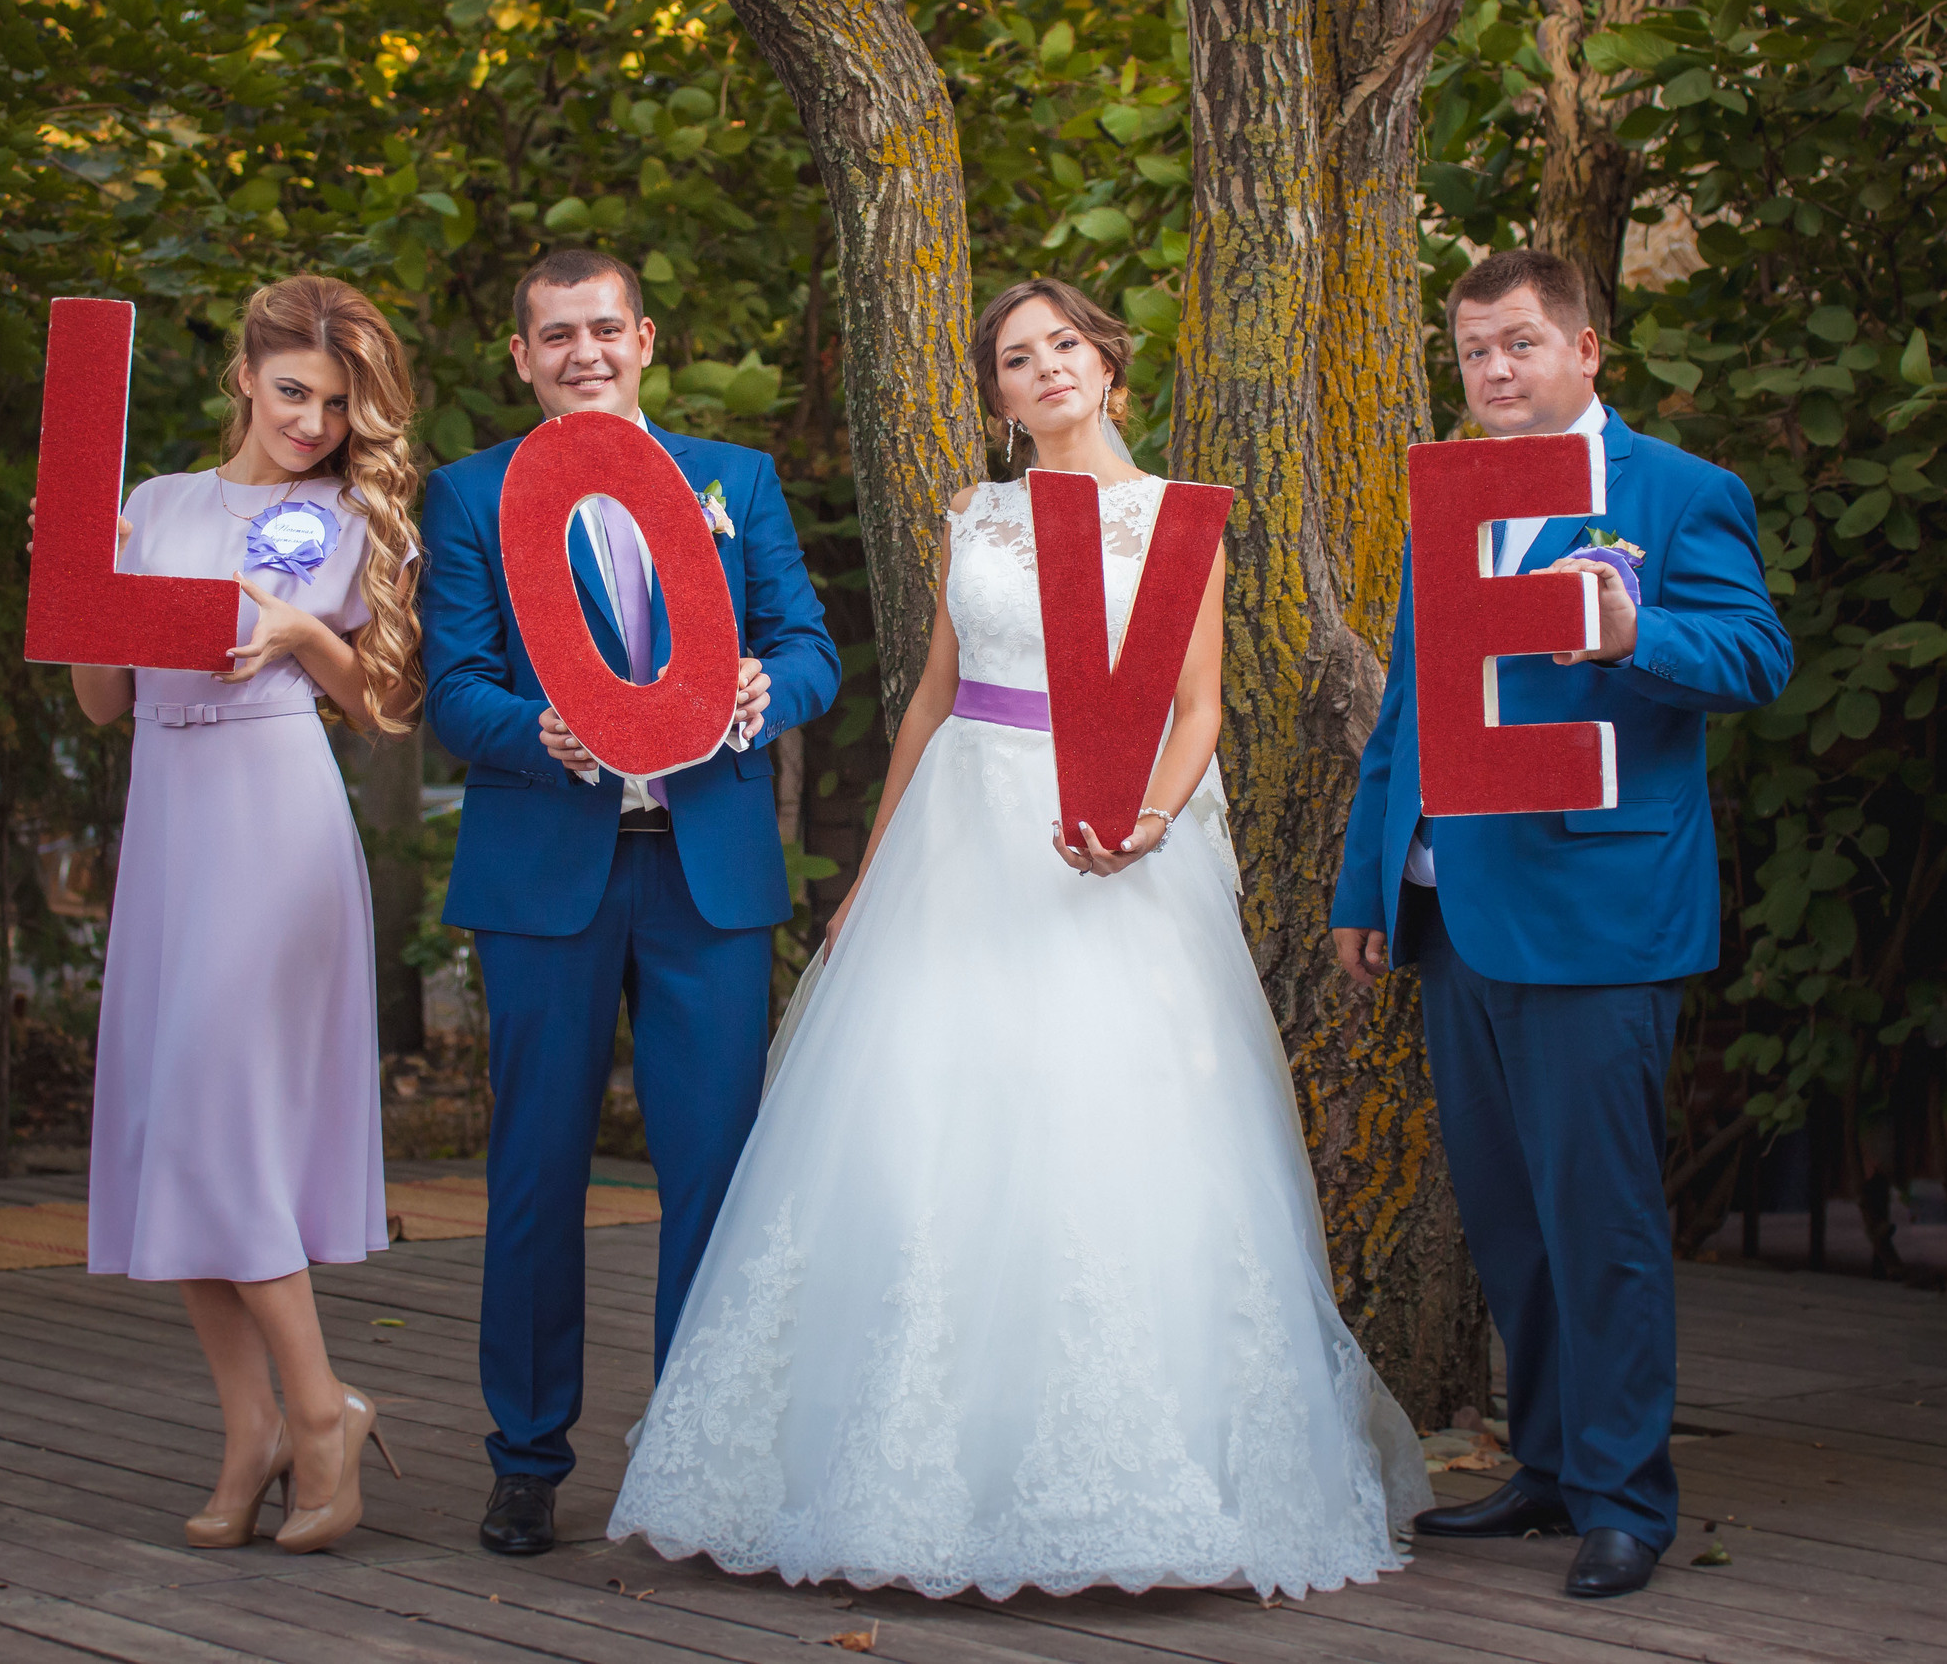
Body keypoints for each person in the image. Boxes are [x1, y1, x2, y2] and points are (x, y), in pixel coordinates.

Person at [604, 278, 1432, 1600]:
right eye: (1012, 359)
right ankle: (899, 1471)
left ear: (1110, 368)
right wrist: (874, 867)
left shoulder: (1178, 523)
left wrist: (1150, 819)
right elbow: (932, 695)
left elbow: (1201, 705)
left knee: (1103, 1127)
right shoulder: (978, 518)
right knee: (926, 1120)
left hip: (1108, 854)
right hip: (961, 836)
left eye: (1062, 348)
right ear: (997, 397)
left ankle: (1123, 1478)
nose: (1041, 369)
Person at [1333, 248, 1791, 1598]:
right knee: (1509, 1215)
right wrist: (1371, 878)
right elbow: (1413, 703)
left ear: (1588, 351)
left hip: (1599, 907)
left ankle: (1625, 1497)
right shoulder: (1451, 502)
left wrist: (1627, 626)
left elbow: (1754, 656)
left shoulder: (1679, 492)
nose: (1493, 371)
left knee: (1601, 1216)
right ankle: (1543, 1464)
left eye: (1520, 345)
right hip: (1453, 904)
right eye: (1473, 351)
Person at [419, 249, 841, 1557]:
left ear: (646, 336)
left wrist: (779, 691)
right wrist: (531, 731)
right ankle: (527, 1457)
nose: (584, 352)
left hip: (703, 870)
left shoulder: (734, 481)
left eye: (604, 327)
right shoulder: (473, 494)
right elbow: (452, 686)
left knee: (712, 1170)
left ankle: (692, 1451)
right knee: (536, 1171)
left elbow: (810, 644)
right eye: (557, 335)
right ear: (521, 355)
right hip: (547, 870)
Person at [74, 274, 415, 1554]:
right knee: (175, 1120)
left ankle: (322, 1409)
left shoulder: (340, 518)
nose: (313, 422)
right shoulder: (156, 506)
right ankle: (252, 1429)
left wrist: (299, 637)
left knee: (219, 1109)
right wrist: (79, 584)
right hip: (169, 816)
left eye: (336, 403)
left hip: (275, 812)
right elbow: (104, 705)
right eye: (292, 393)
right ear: (243, 376)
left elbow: (384, 707)